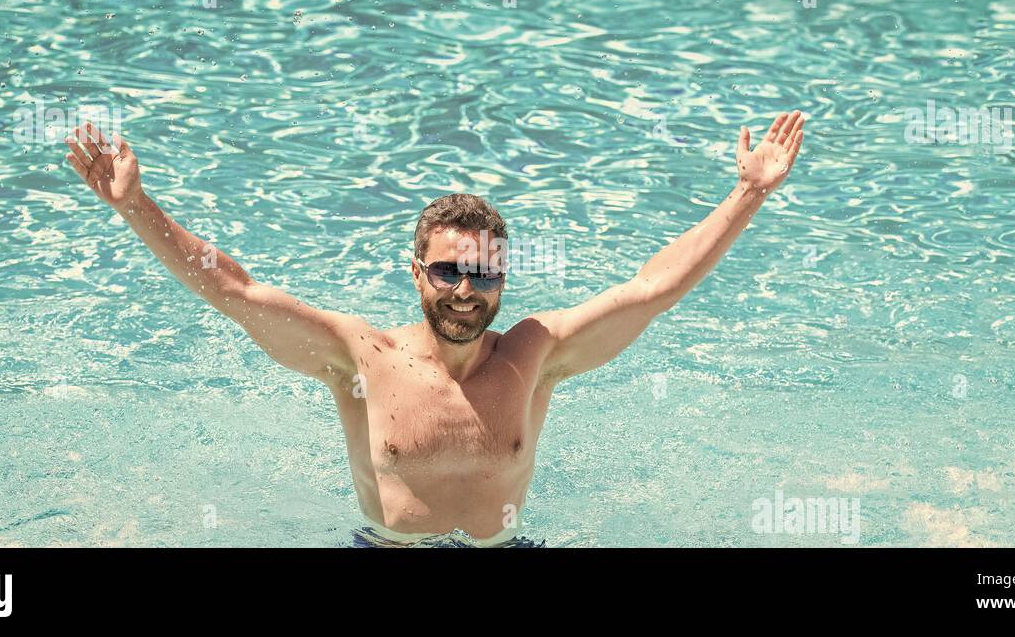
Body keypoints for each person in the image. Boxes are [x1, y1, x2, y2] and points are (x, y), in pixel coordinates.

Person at [63, 110, 806, 546]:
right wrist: (136, 206)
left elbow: (654, 288)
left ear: (503, 280)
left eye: (482, 274)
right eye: (448, 271)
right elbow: (235, 286)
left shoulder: (535, 354)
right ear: (416, 272)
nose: (464, 290)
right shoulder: (357, 356)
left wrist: (747, 194)